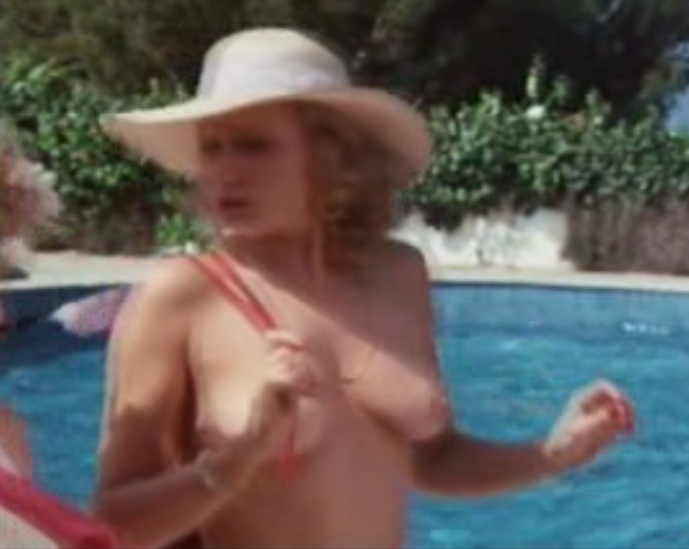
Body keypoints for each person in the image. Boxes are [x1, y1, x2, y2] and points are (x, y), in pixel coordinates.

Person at [90, 28, 637, 549]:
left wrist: (549, 455)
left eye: (254, 146)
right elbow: (111, 530)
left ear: (331, 157)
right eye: (211, 148)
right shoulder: (182, 297)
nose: (226, 171)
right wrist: (236, 461)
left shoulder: (398, 274)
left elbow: (430, 460)